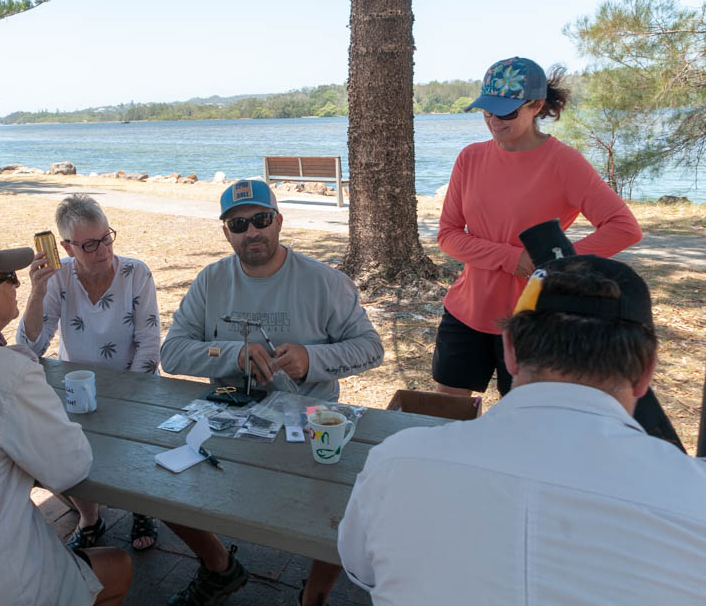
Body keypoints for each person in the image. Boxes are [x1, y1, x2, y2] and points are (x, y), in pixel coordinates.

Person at [339, 255, 706, 604]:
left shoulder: (396, 461)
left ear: (510, 350)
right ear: (647, 370)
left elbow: (360, 568)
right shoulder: (694, 494)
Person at [160, 179, 385, 606]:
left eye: (261, 219)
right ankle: (218, 566)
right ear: (225, 232)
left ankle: (314, 594)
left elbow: (371, 348)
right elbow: (171, 353)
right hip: (227, 420)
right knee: (154, 482)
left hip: (310, 423)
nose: (252, 232)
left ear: (279, 221)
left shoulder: (324, 282)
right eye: (239, 224)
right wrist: (232, 354)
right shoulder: (210, 281)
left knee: (343, 512)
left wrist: (311, 360)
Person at [0, 234, 133, 606]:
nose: (18, 285)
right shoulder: (6, 374)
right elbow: (70, 467)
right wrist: (20, 377)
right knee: (118, 566)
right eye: (10, 280)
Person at [433, 56, 642, 400]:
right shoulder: (470, 158)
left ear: (536, 106)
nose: (493, 122)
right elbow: (449, 235)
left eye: (506, 113)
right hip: (466, 312)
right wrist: (511, 258)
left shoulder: (565, 162)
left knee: (523, 427)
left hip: (535, 321)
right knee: (444, 413)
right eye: (487, 111)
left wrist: (556, 264)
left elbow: (624, 227)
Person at [17, 194, 161, 551]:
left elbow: (149, 345)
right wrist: (36, 292)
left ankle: (141, 509)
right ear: (65, 246)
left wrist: (128, 390)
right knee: (66, 450)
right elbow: (30, 347)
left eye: (107, 237)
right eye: (90, 244)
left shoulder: (135, 273)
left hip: (133, 383)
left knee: (134, 449)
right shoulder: (59, 278)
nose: (103, 250)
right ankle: (89, 516)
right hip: (78, 387)